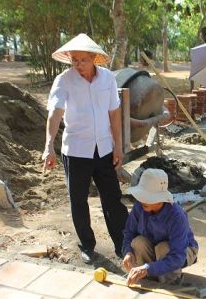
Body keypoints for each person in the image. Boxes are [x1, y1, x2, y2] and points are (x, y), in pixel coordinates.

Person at [42, 33, 128, 263]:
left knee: (112, 198)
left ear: (94, 58)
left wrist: (118, 147)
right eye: (74, 60)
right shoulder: (63, 80)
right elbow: (55, 113)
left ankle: (123, 244)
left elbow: (114, 114)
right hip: (76, 151)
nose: (79, 65)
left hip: (104, 149)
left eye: (83, 60)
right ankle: (87, 245)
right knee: (78, 200)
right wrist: (48, 146)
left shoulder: (108, 79)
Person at [122, 168, 198, 285]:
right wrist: (128, 252)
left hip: (182, 251)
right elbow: (129, 233)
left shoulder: (176, 216)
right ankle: (148, 281)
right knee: (138, 243)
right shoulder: (139, 206)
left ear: (160, 199)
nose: (142, 200)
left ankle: (170, 283)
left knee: (163, 248)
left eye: (146, 197)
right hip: (153, 246)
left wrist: (148, 268)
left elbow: (177, 256)